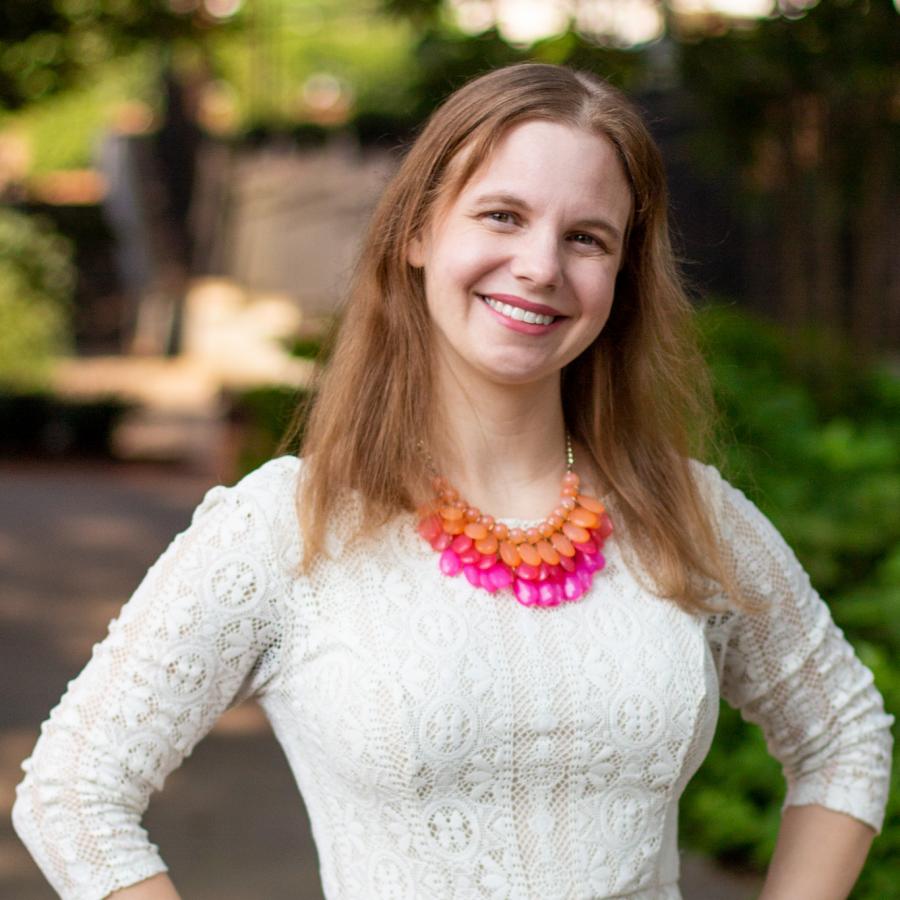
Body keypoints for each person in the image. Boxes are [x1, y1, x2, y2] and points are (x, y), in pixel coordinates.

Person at [13, 63, 893, 900]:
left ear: (621, 278)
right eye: (503, 215)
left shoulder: (686, 513)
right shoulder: (288, 524)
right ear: (418, 232)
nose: (541, 266)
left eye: (586, 237)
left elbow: (845, 737)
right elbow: (72, 791)